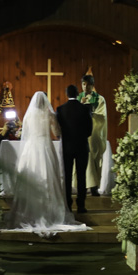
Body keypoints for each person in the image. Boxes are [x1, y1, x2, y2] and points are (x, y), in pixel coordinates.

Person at [5, 91, 87, 233]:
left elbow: (25, 132)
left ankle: (29, 212)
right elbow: (56, 132)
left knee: (32, 177)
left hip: (30, 148)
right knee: (48, 177)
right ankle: (49, 212)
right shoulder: (49, 115)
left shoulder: (28, 115)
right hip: (44, 146)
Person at [56, 84, 93, 213]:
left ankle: (68, 204)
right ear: (78, 94)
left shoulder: (60, 109)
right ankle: (81, 205)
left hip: (67, 147)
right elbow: (89, 130)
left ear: (67, 94)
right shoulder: (85, 109)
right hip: (82, 146)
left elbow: (58, 130)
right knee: (81, 176)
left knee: (67, 176)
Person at [80, 71, 108, 196]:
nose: (86, 87)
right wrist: (81, 104)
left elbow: (102, 116)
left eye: (88, 85)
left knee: (94, 159)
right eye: (84, 84)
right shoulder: (78, 97)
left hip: (94, 133)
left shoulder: (100, 99)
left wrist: (92, 113)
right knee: (82, 160)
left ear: (92, 85)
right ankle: (83, 186)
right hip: (82, 135)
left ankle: (94, 187)